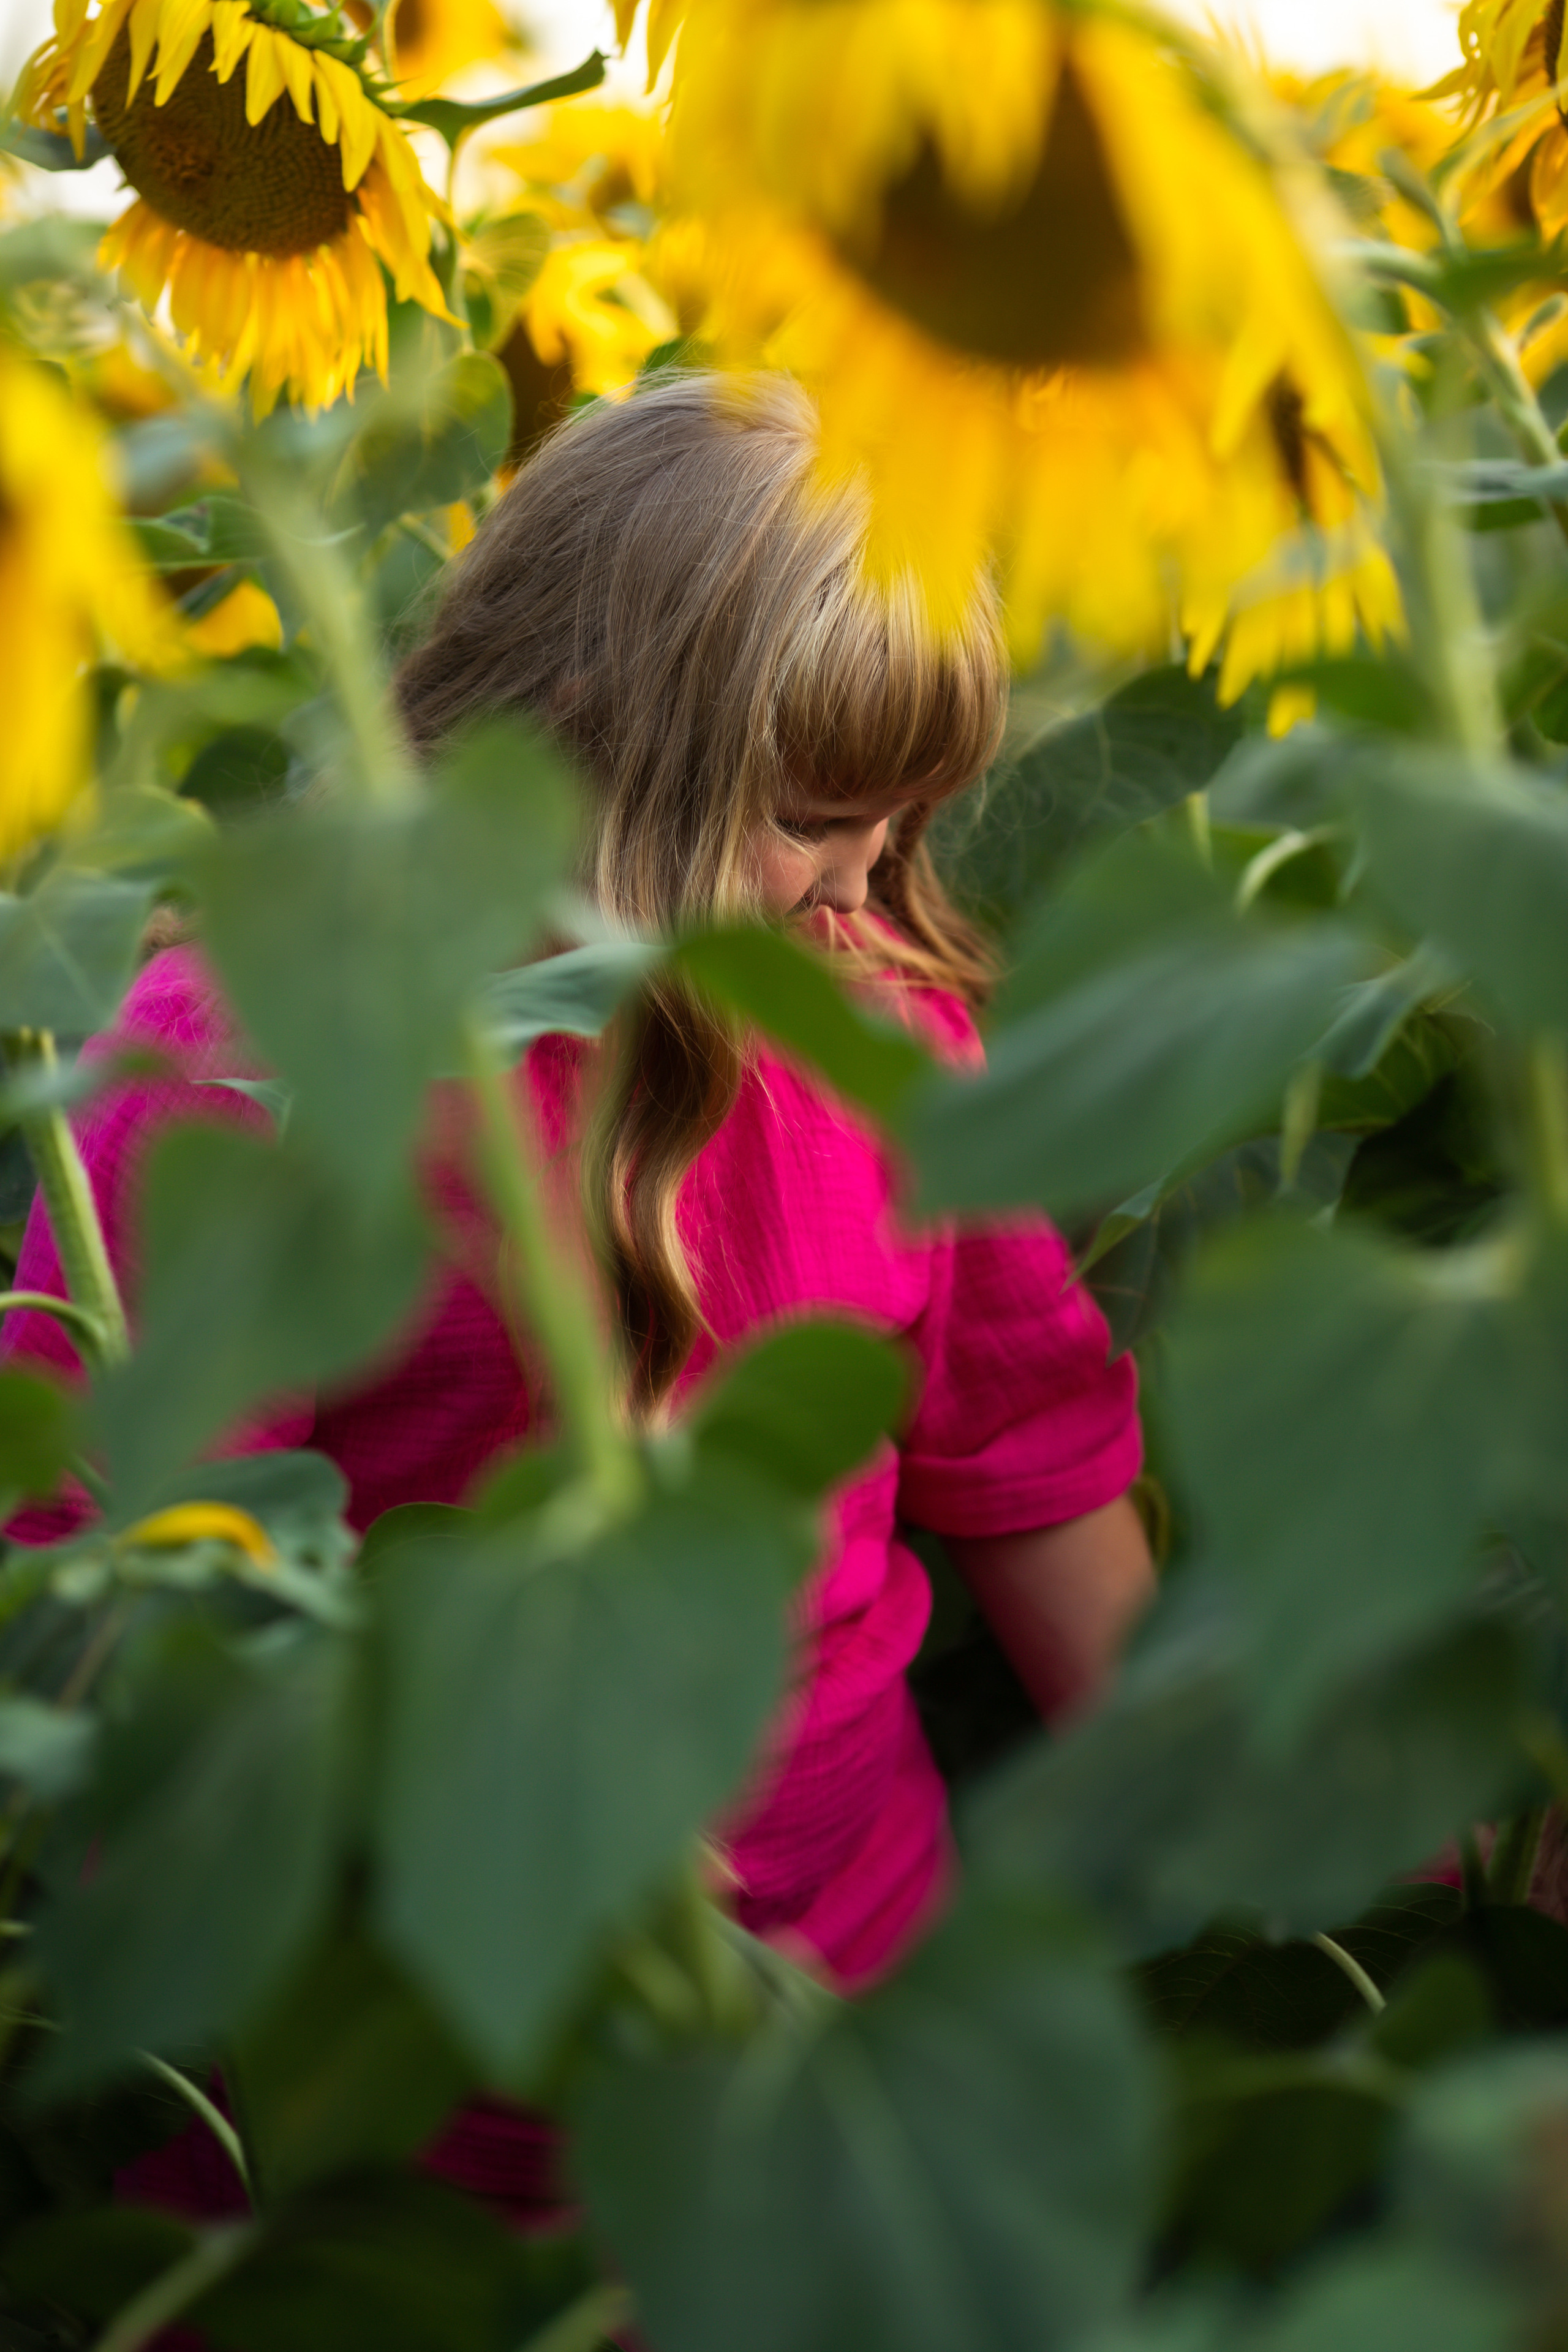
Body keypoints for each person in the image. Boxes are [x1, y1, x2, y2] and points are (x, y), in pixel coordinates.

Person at [0, 370, 1152, 2219]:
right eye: (815, 816)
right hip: (411, 2101)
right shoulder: (251, 1066)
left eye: (905, 823)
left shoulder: (874, 1028)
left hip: (856, 1990)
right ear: (588, 743)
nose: (865, 888)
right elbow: (144, 1590)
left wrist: (1232, 1830)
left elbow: (1030, 1450)